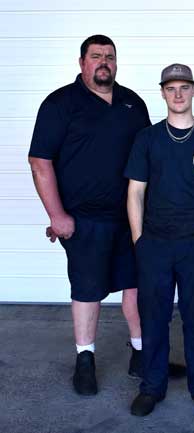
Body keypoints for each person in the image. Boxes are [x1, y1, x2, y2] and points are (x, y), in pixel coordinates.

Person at [27, 34, 179, 396]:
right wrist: (57, 214)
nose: (104, 62)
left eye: (109, 56)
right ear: (82, 63)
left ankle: (142, 356)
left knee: (137, 287)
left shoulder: (132, 103)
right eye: (96, 56)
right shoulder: (60, 103)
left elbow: (148, 160)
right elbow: (40, 162)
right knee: (87, 289)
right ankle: (85, 361)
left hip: (132, 217)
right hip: (83, 219)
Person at [125, 63, 194, 417]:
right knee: (154, 317)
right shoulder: (147, 138)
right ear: (162, 93)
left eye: (184, 87)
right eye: (171, 88)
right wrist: (140, 240)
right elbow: (135, 192)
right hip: (155, 244)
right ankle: (151, 387)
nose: (178, 94)